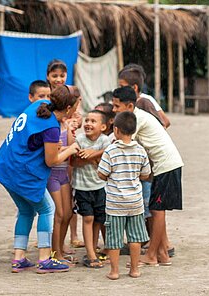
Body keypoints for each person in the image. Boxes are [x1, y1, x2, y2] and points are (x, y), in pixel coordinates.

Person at [0, 85, 80, 273]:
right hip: (21, 171)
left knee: (25, 210)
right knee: (48, 209)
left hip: (4, 165)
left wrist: (54, 146)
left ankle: (18, 258)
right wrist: (70, 150)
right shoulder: (52, 127)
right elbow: (51, 161)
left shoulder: (41, 104)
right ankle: (44, 258)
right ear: (67, 109)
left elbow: (34, 139)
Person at [111, 86, 183, 266]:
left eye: (116, 106)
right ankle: (163, 254)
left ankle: (151, 255)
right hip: (166, 166)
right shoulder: (139, 116)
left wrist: (92, 153)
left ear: (128, 107)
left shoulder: (135, 119)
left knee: (157, 211)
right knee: (157, 209)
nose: (114, 110)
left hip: (166, 166)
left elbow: (121, 143)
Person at [98, 111, 151, 280]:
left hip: (115, 203)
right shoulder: (141, 151)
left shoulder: (111, 150)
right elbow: (146, 174)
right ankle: (134, 269)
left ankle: (114, 271)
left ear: (116, 130)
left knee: (114, 238)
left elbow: (102, 174)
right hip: (135, 202)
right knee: (135, 237)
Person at [46, 59, 85, 250]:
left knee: (67, 211)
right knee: (58, 213)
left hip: (65, 168)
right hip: (53, 169)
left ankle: (61, 247)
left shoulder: (68, 120)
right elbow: (52, 151)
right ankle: (54, 250)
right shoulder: (51, 117)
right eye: (55, 75)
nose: (59, 79)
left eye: (62, 75)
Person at [70, 110, 110, 268]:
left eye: (93, 121)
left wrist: (92, 154)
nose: (88, 124)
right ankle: (91, 255)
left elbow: (107, 155)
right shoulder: (79, 139)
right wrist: (91, 158)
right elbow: (75, 162)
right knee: (88, 218)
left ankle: (92, 249)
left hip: (101, 187)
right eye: (87, 120)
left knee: (99, 219)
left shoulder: (105, 140)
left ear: (103, 126)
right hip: (82, 187)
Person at [118, 65, 170, 129]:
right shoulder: (120, 100)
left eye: (122, 86)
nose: (119, 89)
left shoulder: (145, 100)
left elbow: (165, 122)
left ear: (135, 87)